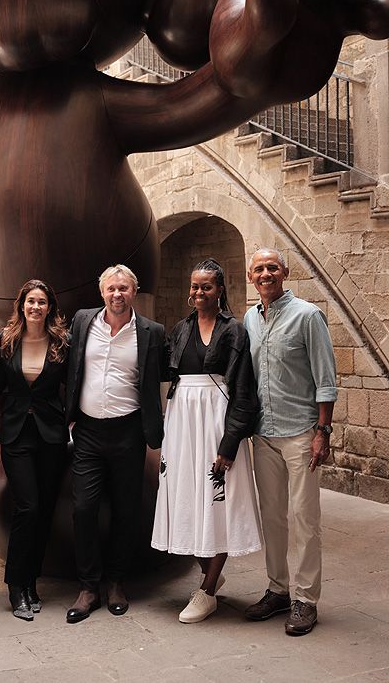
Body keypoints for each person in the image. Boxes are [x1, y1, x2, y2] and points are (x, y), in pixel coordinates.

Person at [151, 259, 262, 623]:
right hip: (183, 420)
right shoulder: (180, 329)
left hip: (216, 419)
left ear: (220, 290)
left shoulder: (234, 331)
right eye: (195, 287)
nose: (199, 293)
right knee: (187, 498)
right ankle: (210, 571)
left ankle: (208, 590)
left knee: (217, 502)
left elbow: (244, 390)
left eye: (207, 287)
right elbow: (161, 369)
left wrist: (229, 444)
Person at [65, 264, 167, 623]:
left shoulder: (152, 333)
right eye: (111, 289)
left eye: (123, 288)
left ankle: (116, 582)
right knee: (84, 508)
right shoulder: (82, 321)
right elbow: (65, 361)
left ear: (133, 292)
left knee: (127, 509)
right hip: (89, 431)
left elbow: (168, 373)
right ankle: (88, 586)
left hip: (129, 431)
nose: (117, 294)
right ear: (101, 292)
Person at [243, 248, 337, 636]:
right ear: (251, 277)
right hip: (263, 435)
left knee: (304, 519)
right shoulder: (249, 317)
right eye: (258, 268)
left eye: (272, 267)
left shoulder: (308, 316)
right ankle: (278, 589)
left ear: (285, 271)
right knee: (273, 518)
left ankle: (306, 600)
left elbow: (326, 378)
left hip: (301, 433)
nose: (265, 273)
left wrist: (323, 432)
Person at [0, 279, 69, 621]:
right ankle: (15, 585)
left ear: (49, 307)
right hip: (16, 436)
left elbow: (73, 384)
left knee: (44, 511)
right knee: (28, 506)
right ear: (21, 305)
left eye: (41, 302)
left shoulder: (61, 343)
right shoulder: (5, 341)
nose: (35, 307)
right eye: (30, 301)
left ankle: (31, 582)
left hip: (51, 437)